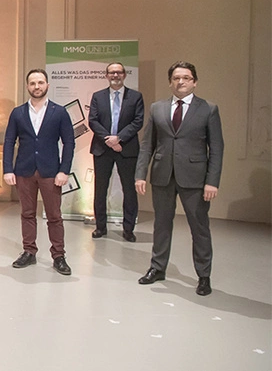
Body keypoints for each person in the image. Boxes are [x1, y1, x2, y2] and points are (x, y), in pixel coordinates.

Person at [135, 61, 223, 296]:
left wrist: (212, 181)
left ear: (194, 82)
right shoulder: (157, 108)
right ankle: (157, 267)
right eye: (176, 78)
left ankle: (203, 276)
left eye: (186, 78)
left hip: (195, 178)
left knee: (199, 227)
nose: (180, 82)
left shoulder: (208, 109)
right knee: (161, 225)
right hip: (163, 175)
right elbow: (147, 145)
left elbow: (216, 148)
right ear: (170, 82)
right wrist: (140, 174)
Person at [3, 68, 76, 275]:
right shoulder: (18, 112)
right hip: (24, 170)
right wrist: (8, 169)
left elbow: (69, 143)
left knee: (54, 215)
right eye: (33, 83)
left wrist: (64, 170)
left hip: (51, 171)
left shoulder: (59, 112)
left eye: (40, 82)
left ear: (47, 85)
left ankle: (59, 255)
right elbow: (9, 141)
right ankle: (29, 251)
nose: (37, 86)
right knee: (27, 213)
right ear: (27, 86)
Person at [87, 62, 144, 241]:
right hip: (102, 149)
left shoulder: (136, 97)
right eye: (112, 72)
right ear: (106, 75)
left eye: (119, 72)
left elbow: (138, 121)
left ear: (124, 75)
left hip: (126, 149)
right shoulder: (98, 96)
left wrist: (119, 138)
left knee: (129, 190)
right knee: (100, 190)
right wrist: (109, 140)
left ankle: (128, 229)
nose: (115, 75)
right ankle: (100, 227)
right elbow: (93, 120)